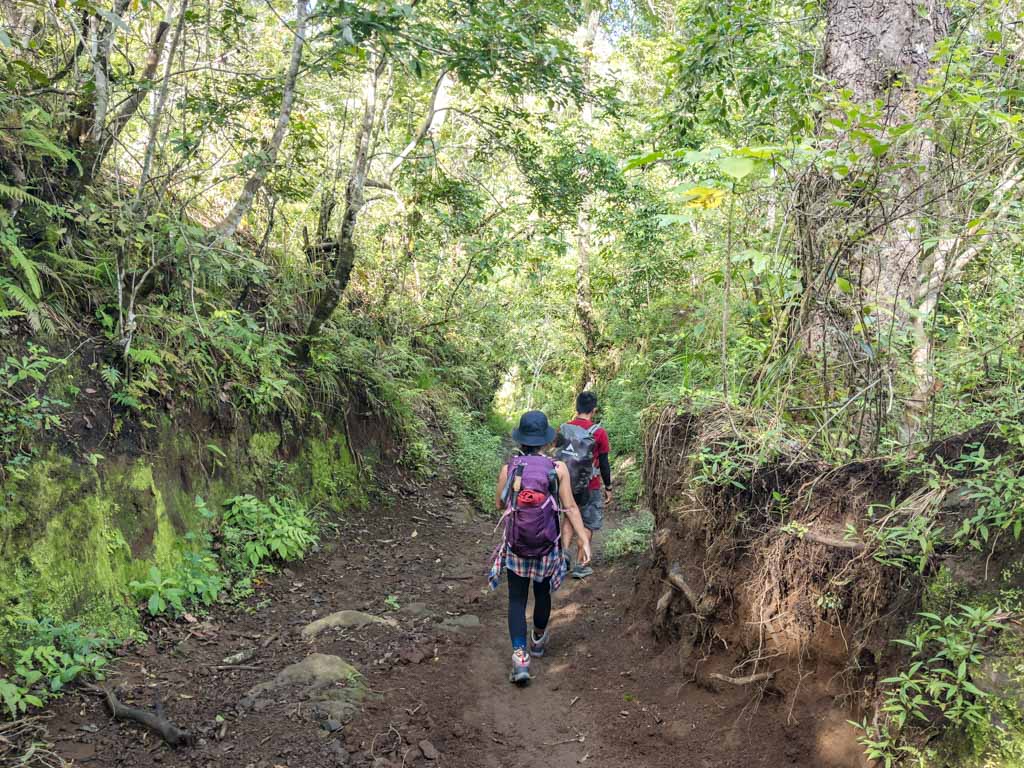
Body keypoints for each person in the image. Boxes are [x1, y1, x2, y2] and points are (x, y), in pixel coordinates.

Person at [488, 410, 591, 684]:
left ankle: (520, 658)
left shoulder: (509, 468)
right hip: (546, 545)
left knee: (517, 599)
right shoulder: (557, 469)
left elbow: (499, 504)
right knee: (542, 592)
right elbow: (569, 506)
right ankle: (537, 641)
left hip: (516, 544)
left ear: (521, 440)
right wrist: (582, 537)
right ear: (546, 441)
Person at [559, 391, 611, 579]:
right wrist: (609, 487)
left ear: (576, 407)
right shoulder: (598, 432)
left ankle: (563, 556)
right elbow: (604, 463)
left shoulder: (564, 428)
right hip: (591, 484)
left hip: (567, 483)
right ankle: (581, 564)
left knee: (568, 518)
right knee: (588, 522)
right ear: (594, 409)